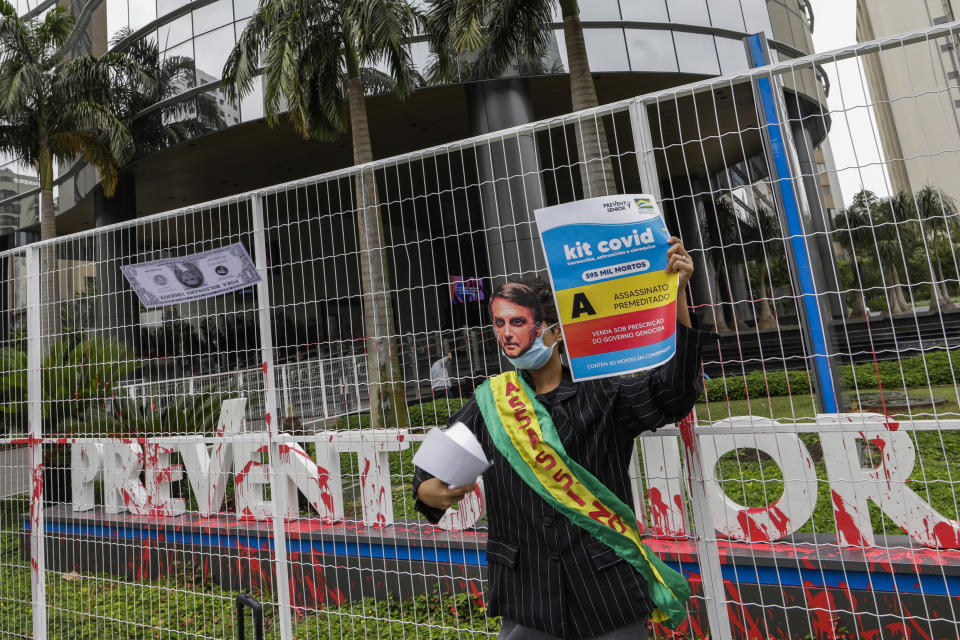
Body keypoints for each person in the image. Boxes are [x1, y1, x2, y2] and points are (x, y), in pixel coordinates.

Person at [413, 237, 707, 640]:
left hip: (605, 590)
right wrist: (431, 490)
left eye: (518, 322)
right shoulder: (491, 402)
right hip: (527, 596)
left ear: (554, 328)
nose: (507, 335)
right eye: (499, 324)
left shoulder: (604, 392)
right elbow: (429, 474)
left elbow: (673, 394)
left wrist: (678, 296)